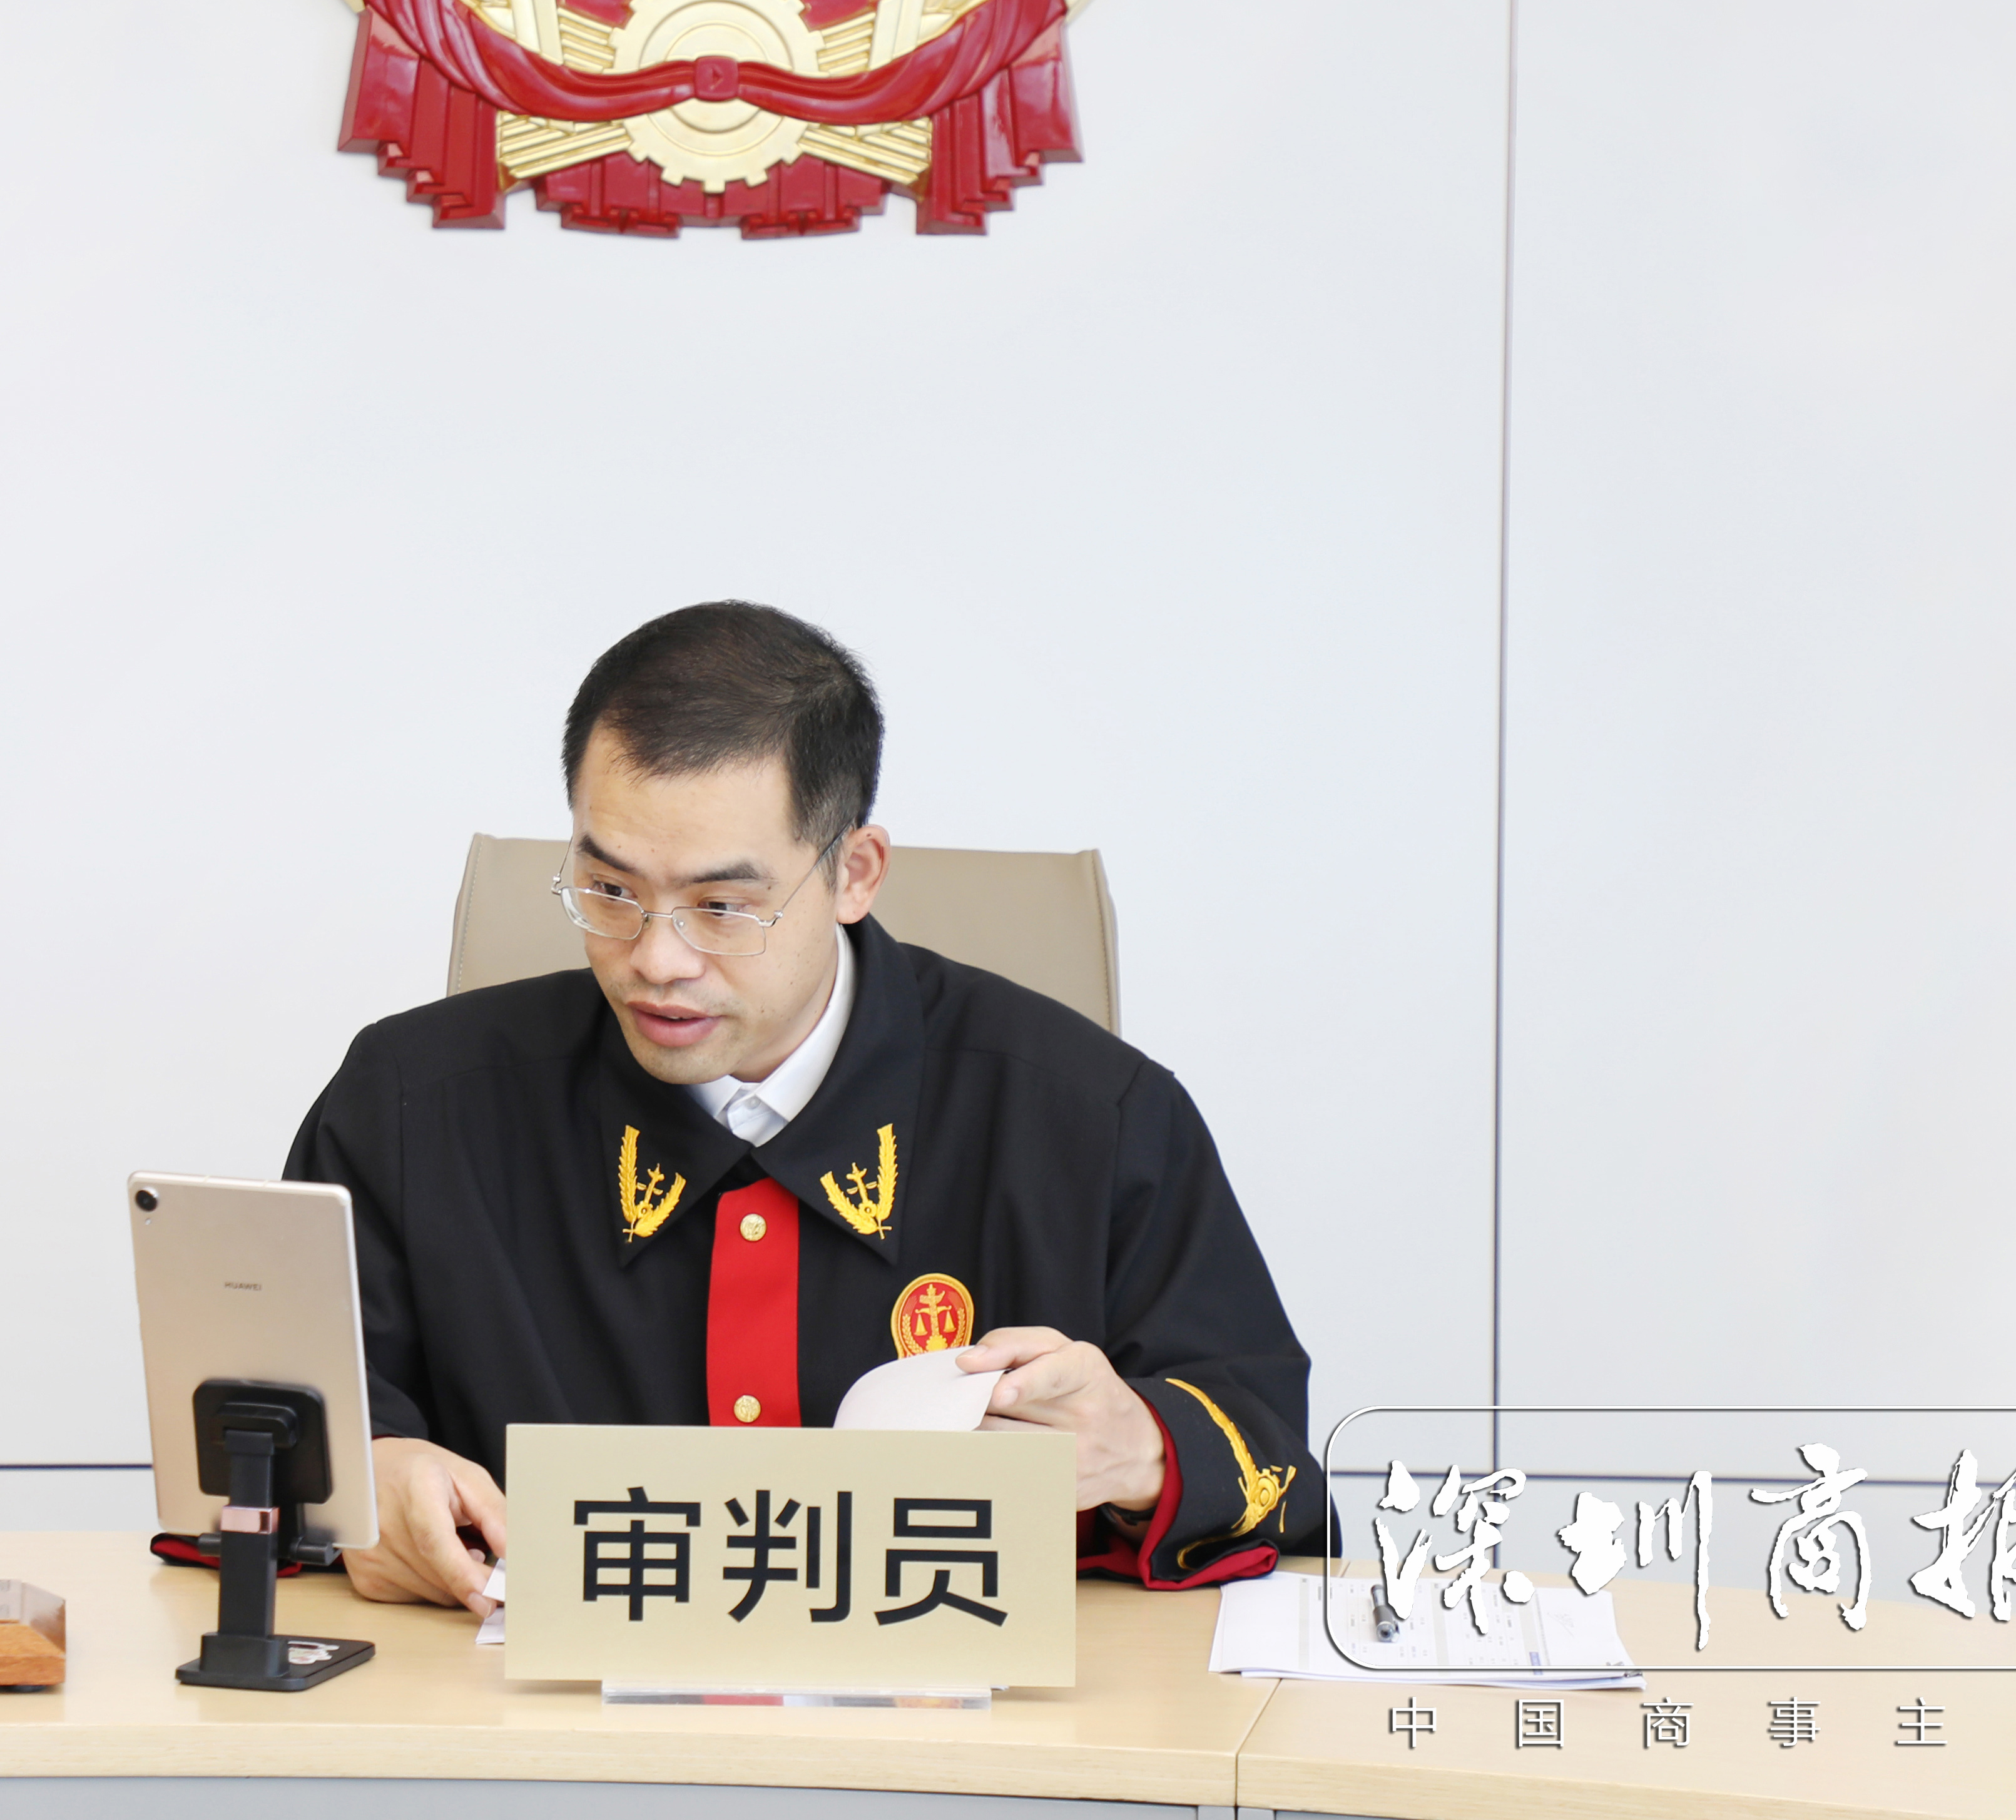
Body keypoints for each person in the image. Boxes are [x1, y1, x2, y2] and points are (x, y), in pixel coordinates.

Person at [284, 599, 1321, 1609]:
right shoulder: (410, 1107)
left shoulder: (1094, 1120)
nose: (656, 959)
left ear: (853, 874)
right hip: (519, 1718)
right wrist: (359, 1481)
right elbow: (261, 1434)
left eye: (722, 907)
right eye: (609, 891)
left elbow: (1280, 1473)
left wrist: (1142, 1451)